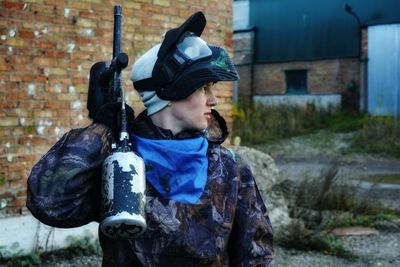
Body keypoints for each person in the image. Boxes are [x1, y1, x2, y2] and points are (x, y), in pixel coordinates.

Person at [26, 11, 273, 266]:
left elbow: (256, 255)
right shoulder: (119, 165)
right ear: (170, 91)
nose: (214, 100)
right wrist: (102, 131)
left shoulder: (230, 167)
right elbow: (50, 204)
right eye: (203, 87)